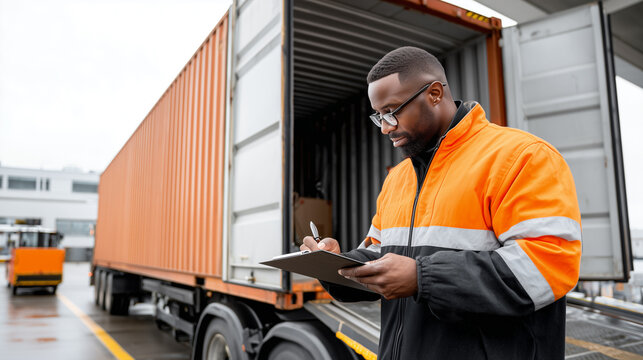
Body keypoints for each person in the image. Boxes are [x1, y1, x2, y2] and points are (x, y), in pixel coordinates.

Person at [301, 46, 582, 360]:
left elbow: (547, 267)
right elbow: (380, 258)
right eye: (378, 115)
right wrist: (335, 266)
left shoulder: (522, 157)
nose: (385, 127)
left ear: (434, 93)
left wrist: (422, 277)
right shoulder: (398, 178)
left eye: (392, 111)